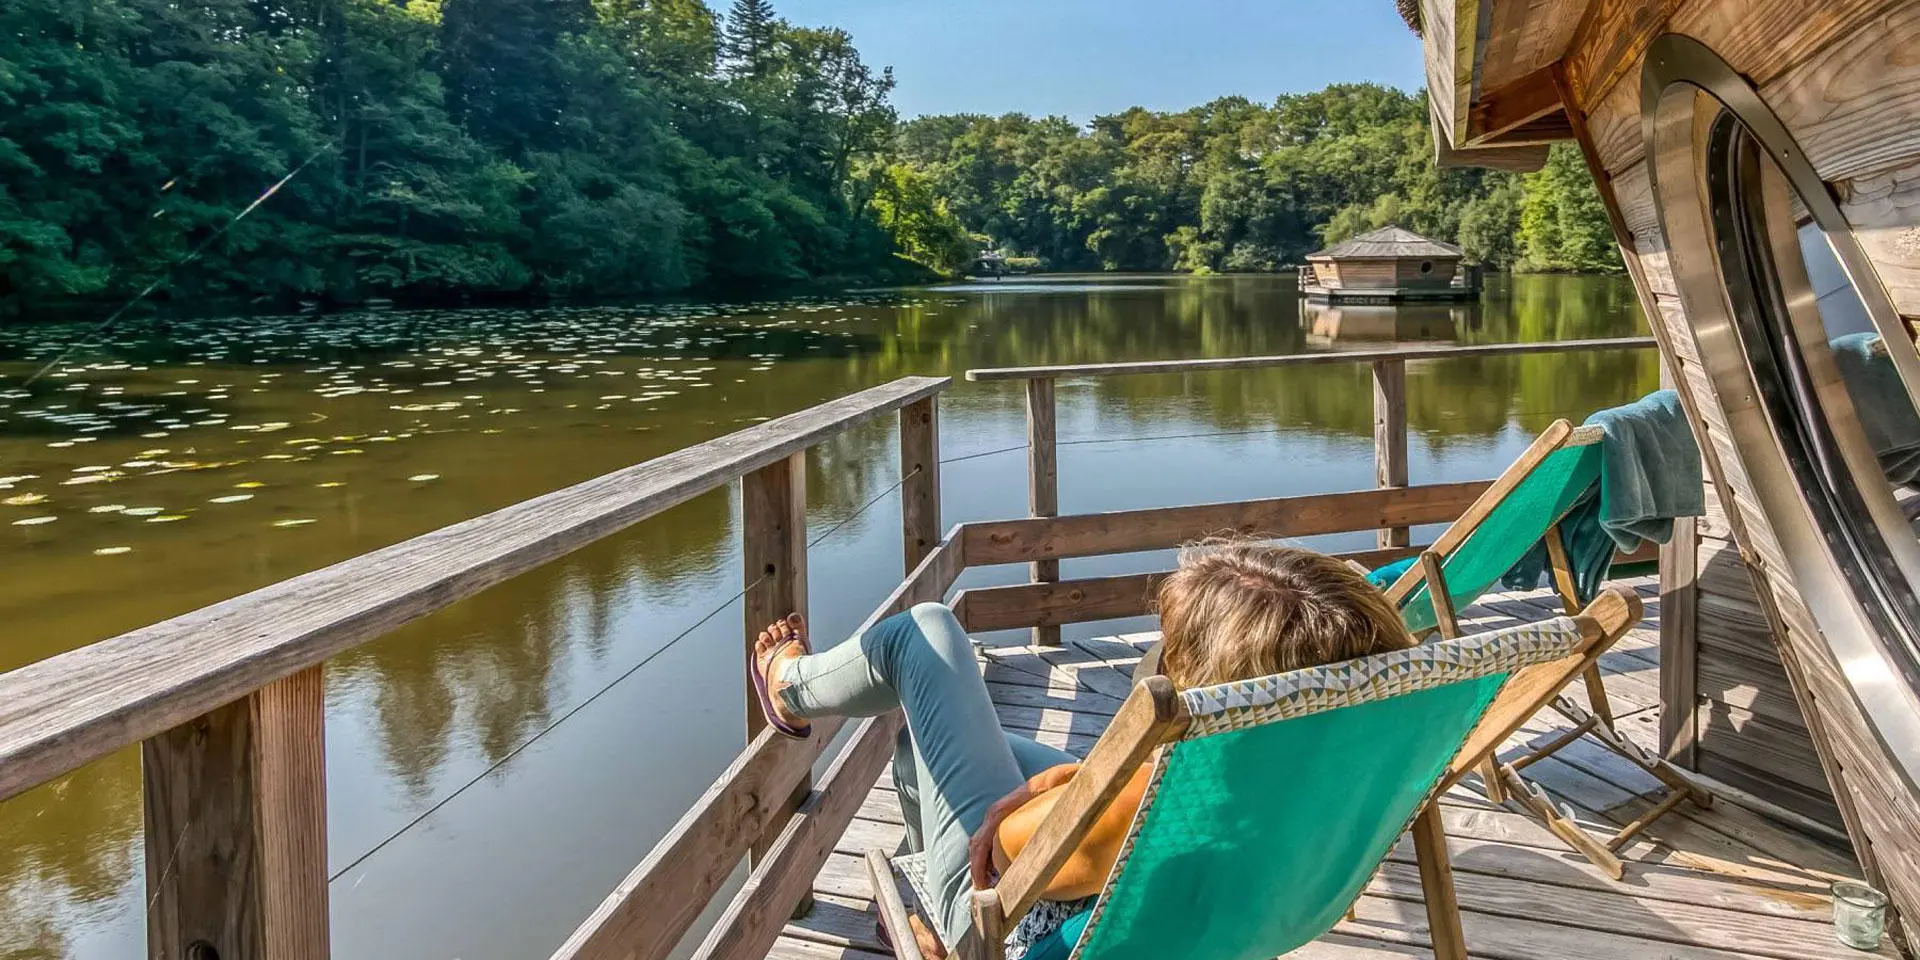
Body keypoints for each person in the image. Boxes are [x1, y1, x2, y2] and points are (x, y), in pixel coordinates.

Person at [748, 542, 1415, 959]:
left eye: (1170, 650)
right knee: (934, 745)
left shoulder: (1171, 801)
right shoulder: (1338, 766)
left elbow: (1006, 846)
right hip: (1221, 918)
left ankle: (789, 686)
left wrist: (1073, 792)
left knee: (923, 632)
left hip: (1015, 926)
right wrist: (1081, 778)